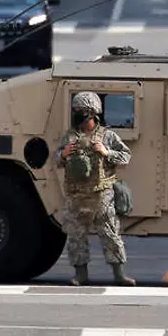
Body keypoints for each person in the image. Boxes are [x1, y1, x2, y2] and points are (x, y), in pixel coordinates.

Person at [58, 91, 135, 286]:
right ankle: (80, 274)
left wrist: (106, 152)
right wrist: (63, 155)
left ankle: (119, 275)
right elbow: (56, 160)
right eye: (75, 110)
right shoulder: (70, 136)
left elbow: (126, 156)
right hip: (76, 195)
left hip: (101, 195)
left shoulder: (107, 136)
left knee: (110, 234)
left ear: (92, 112)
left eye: (80, 110)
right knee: (76, 236)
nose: (77, 113)